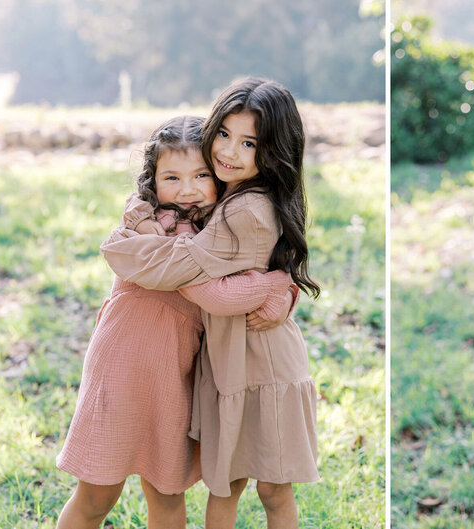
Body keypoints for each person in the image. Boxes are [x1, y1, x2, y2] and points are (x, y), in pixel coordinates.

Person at [100, 78, 320, 529]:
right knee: (228, 485)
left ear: (273, 150)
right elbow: (124, 245)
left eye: (248, 143)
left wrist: (279, 285)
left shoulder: (244, 209)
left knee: (269, 488)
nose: (228, 152)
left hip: (259, 364)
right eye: (223, 134)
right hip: (222, 363)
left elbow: (207, 289)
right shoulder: (219, 198)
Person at [55, 115, 295, 529]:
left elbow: (255, 264)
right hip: (121, 365)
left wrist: (285, 291)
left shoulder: (224, 223)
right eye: (172, 177)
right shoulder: (141, 225)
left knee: (167, 491)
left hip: (176, 372)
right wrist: (272, 286)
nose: (187, 190)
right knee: (97, 491)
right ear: (153, 180)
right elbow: (199, 286)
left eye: (201, 175)